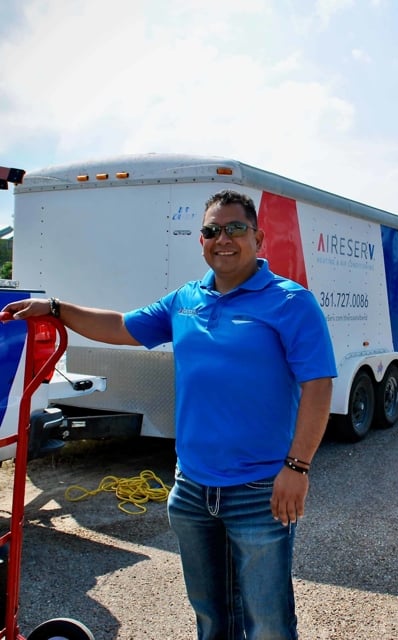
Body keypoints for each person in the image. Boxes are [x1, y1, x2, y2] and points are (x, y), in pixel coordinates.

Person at [2, 189, 337, 640]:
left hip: (259, 491)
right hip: (194, 489)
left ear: (258, 237)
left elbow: (318, 384)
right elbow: (121, 326)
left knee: (269, 623)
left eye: (235, 228)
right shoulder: (186, 300)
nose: (223, 239)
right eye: (212, 230)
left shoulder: (290, 303)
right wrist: (57, 308)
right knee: (211, 617)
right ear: (201, 241)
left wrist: (297, 467)